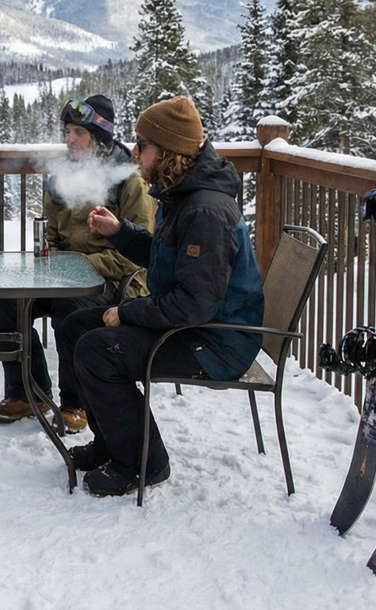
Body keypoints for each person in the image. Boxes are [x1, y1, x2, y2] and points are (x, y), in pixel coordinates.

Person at [58, 95, 265, 497]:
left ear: (168, 151)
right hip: (195, 326)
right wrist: (120, 233)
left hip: (215, 341)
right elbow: (165, 257)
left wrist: (129, 311)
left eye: (142, 145)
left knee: (99, 349)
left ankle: (143, 463)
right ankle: (112, 442)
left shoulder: (205, 210)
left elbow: (195, 303)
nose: (134, 152)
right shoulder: (181, 193)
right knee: (76, 326)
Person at [0, 95, 154, 433]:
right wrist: (47, 257)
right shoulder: (62, 174)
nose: (69, 139)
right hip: (64, 272)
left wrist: (81, 266)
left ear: (100, 136)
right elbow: (51, 231)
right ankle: (25, 391)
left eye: (79, 132)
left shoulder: (128, 179)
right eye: (67, 131)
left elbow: (138, 250)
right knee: (4, 299)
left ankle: (75, 402)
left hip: (115, 279)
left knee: (73, 308)